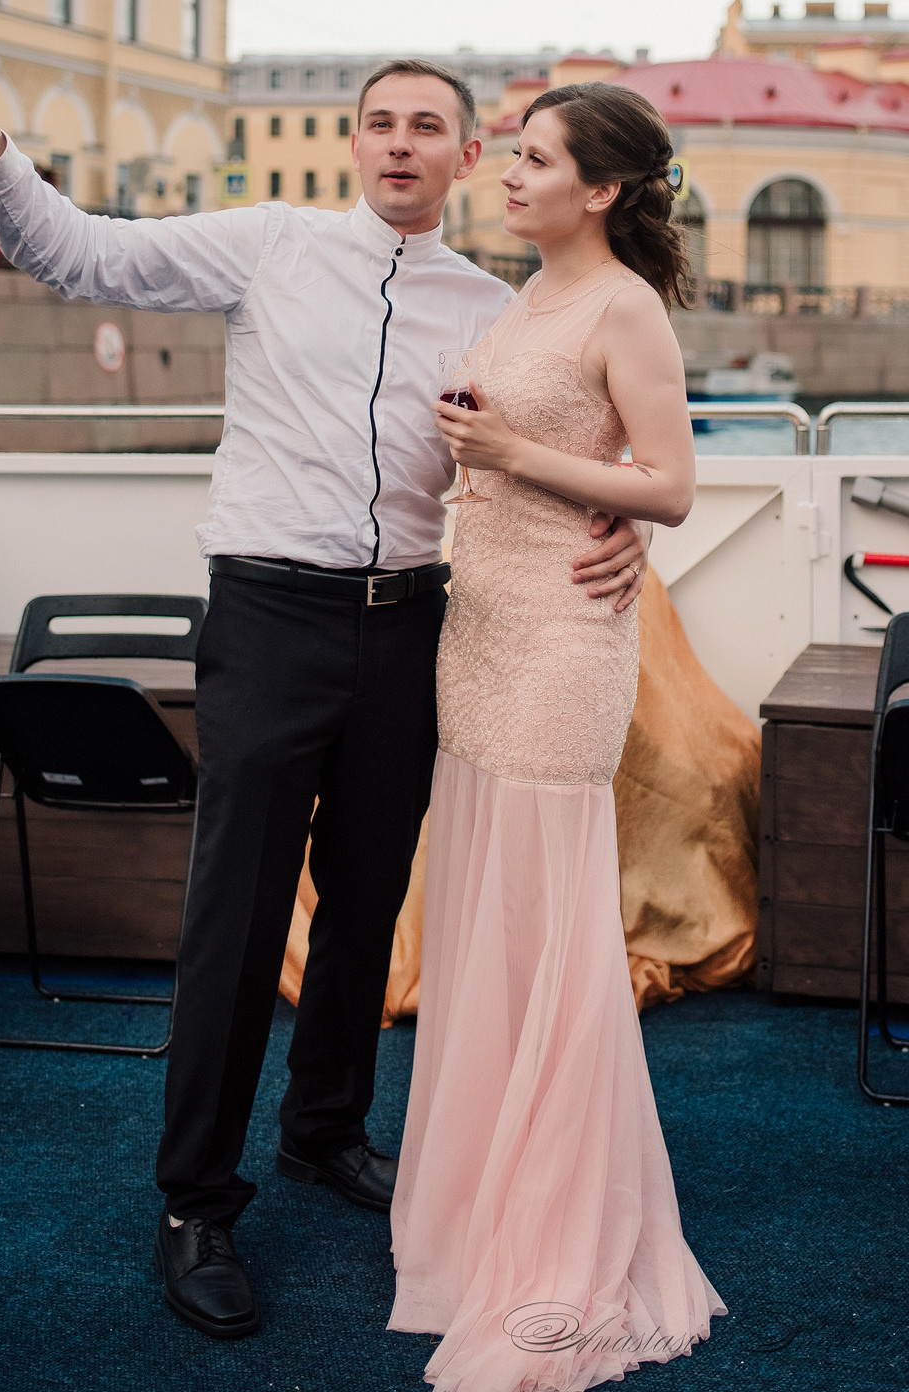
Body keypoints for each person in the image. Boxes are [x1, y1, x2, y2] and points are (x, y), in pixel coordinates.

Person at [0, 59, 652, 1343]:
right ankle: (193, 1204)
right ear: (352, 143)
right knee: (234, 914)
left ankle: (324, 1133)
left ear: (465, 159)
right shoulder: (266, 244)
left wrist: (637, 532)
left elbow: (585, 445)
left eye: (428, 129)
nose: (399, 145)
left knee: (366, 900)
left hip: (415, 623)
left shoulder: (490, 308)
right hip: (271, 618)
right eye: (379, 123)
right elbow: (82, 258)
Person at [388, 80, 725, 1391]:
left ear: (599, 191)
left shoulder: (620, 306)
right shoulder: (516, 297)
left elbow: (673, 487)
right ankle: (476, 1219)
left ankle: (556, 1236)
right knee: (485, 920)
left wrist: (518, 454)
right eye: (514, 155)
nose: (507, 173)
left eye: (533, 159)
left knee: (546, 926)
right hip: (477, 632)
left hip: (561, 651)